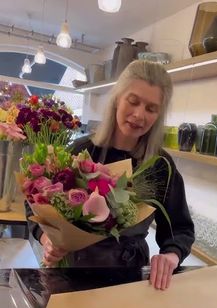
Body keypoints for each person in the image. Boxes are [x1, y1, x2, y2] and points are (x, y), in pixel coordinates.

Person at [25, 60, 195, 290]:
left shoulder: (160, 166)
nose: (139, 115)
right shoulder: (81, 152)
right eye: (133, 101)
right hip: (72, 273)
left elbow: (180, 228)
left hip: (129, 277)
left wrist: (171, 256)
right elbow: (36, 203)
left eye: (151, 108)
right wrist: (48, 240)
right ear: (117, 98)